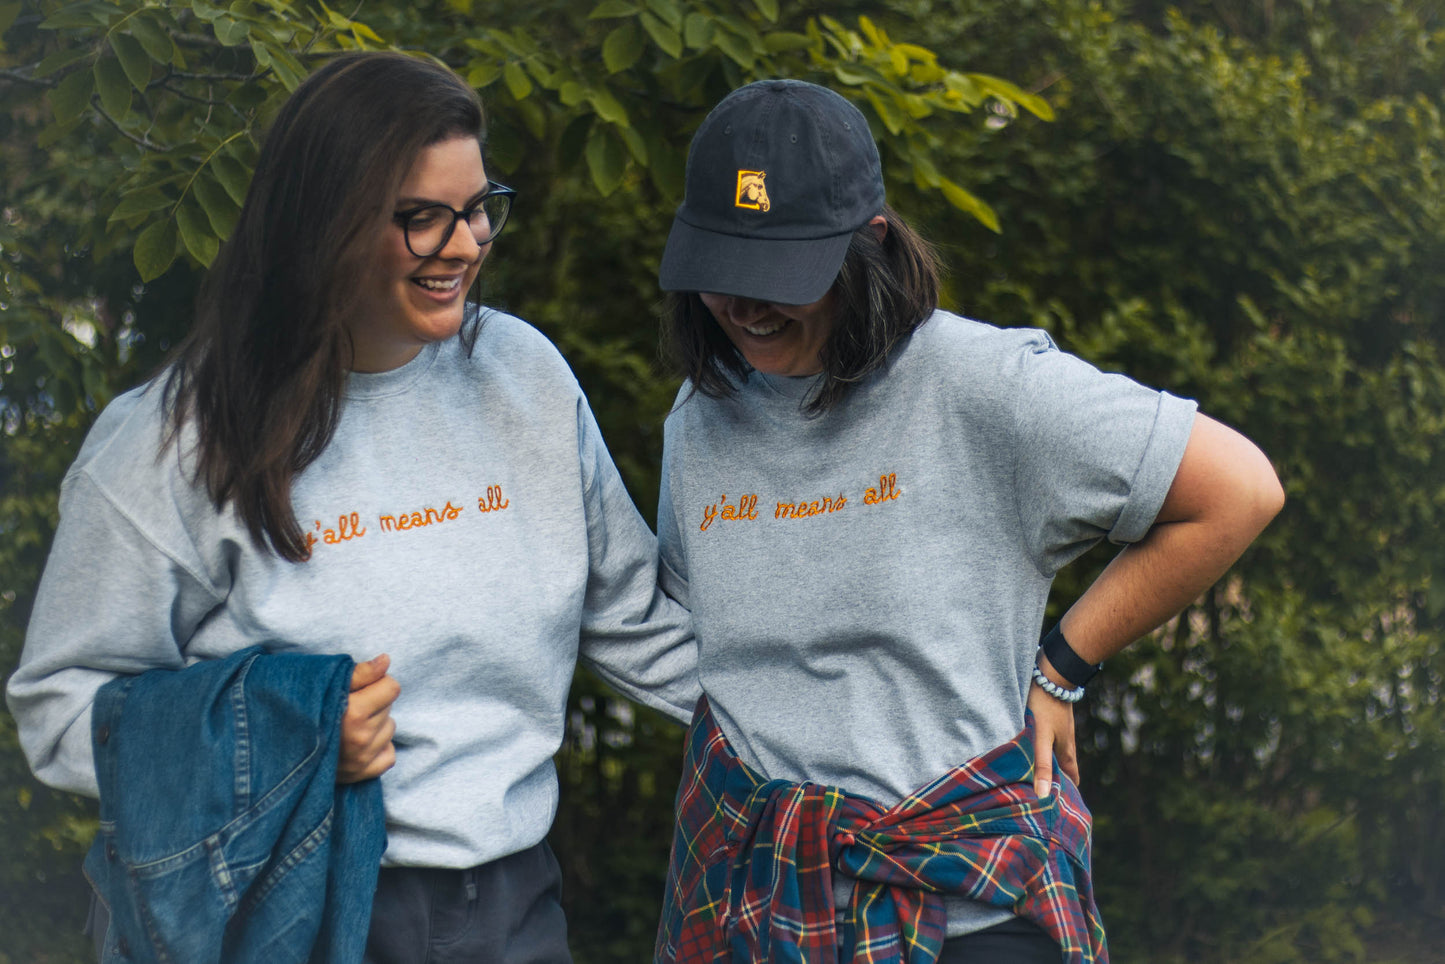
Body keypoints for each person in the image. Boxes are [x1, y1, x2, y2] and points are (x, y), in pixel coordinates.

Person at [7, 52, 699, 963]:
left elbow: (635, 623)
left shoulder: (522, 376)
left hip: (511, 908)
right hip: (276, 908)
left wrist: (852, 725)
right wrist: (280, 747)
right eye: (421, 218)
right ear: (324, 224)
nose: (466, 242)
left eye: (480, 204)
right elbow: (60, 709)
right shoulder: (180, 436)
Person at [651, 79, 1284, 964]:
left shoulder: (981, 387)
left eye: (779, 279)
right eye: (722, 274)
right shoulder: (701, 420)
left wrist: (1062, 667)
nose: (746, 307)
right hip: (764, 905)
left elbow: (1238, 490)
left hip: (967, 904)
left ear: (867, 245)